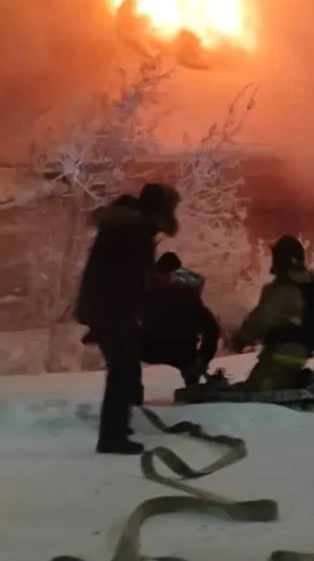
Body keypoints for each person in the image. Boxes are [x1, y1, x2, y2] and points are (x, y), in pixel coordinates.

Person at [75, 182, 180, 455]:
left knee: (127, 369)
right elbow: (125, 278)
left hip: (108, 309)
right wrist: (125, 314)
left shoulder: (129, 227)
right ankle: (112, 437)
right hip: (113, 309)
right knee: (122, 371)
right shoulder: (133, 231)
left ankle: (119, 427)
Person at [231, 235, 314, 392]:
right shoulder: (311, 284)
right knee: (275, 377)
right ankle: (296, 380)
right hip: (302, 352)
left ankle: (295, 384)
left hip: (281, 353)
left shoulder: (281, 288)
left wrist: (239, 340)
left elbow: (260, 320)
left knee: (255, 390)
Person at [140, 252, 221, 388]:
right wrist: (203, 359)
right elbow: (212, 329)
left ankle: (130, 394)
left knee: (125, 353)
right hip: (182, 351)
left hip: (149, 348)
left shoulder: (142, 291)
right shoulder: (186, 294)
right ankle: (192, 382)